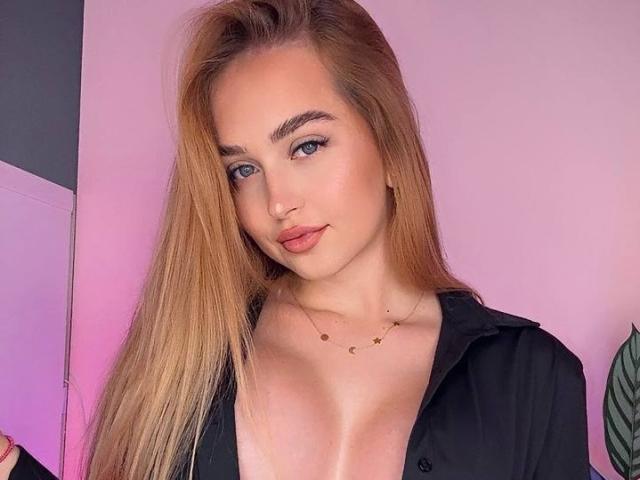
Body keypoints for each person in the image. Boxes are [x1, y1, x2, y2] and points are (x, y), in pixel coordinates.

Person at [8, 0, 591, 478]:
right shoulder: (191, 354)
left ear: (390, 146)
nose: (277, 202)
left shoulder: (531, 379)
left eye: (306, 146)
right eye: (243, 169)